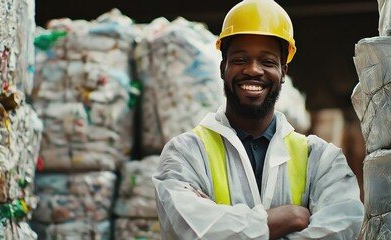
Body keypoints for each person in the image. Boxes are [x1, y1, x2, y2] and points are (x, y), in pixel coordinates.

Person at [152, 0, 364, 239]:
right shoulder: (185, 154)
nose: (253, 70)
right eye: (241, 60)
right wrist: (289, 217)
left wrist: (224, 225)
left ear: (283, 71)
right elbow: (188, 229)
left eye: (267, 62)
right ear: (223, 68)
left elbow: (341, 228)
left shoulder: (322, 160)